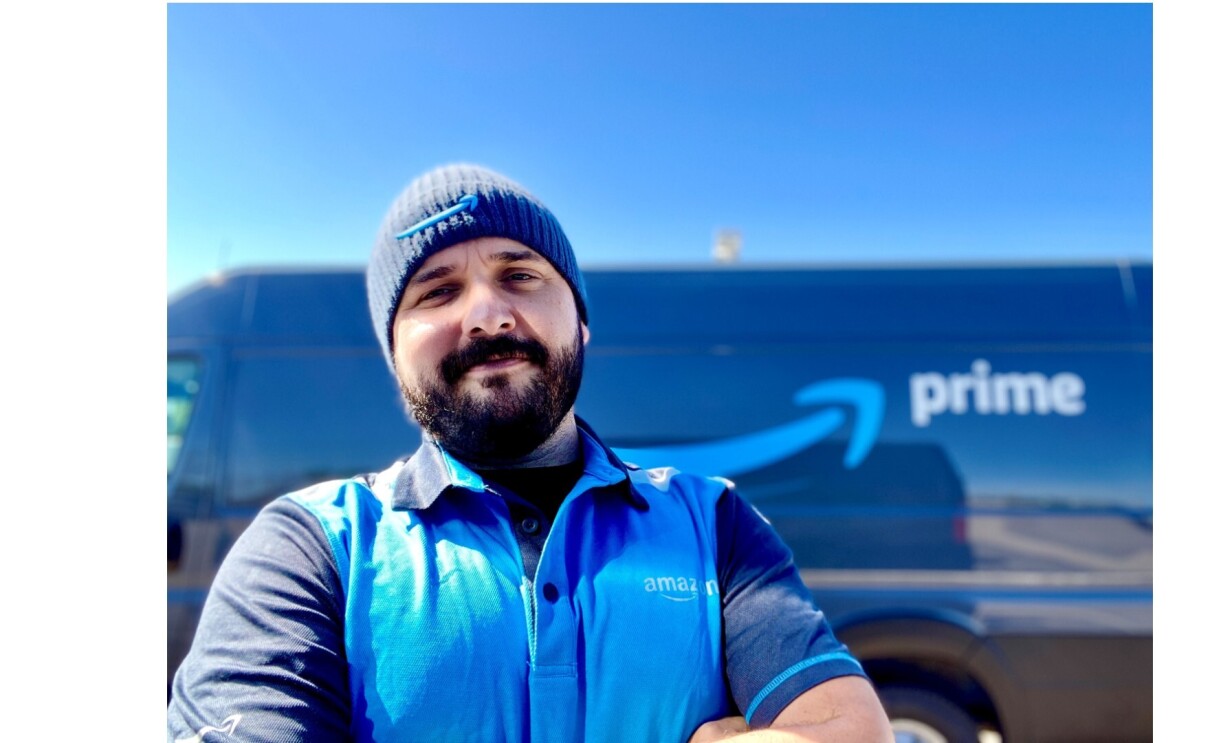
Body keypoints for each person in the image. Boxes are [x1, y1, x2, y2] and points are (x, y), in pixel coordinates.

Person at [167, 164, 893, 743]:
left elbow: (851, 733)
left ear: (580, 322)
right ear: (394, 356)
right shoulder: (308, 547)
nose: (486, 312)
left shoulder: (716, 524)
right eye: (436, 290)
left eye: (520, 275)